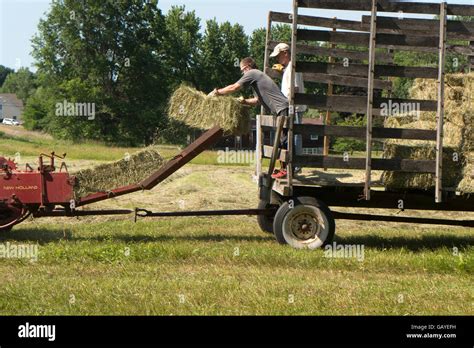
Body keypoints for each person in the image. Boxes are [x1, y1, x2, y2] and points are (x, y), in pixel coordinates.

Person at [209, 57, 289, 178]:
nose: (242, 73)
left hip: (282, 108)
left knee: (284, 140)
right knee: (281, 140)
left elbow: (234, 87)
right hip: (280, 109)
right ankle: (284, 169)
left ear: (247, 67)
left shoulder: (253, 73)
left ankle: (287, 170)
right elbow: (257, 101)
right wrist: (244, 101)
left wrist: (217, 92)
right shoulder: (257, 79)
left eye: (242, 70)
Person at [270, 43, 307, 174]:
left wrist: (285, 101)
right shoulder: (289, 68)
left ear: (285, 53)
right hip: (292, 106)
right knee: (291, 135)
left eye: (278, 56)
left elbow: (294, 88)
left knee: (295, 135)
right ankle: (291, 166)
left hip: (294, 107)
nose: (277, 59)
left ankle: (296, 166)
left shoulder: (292, 67)